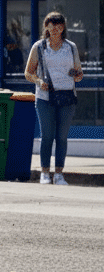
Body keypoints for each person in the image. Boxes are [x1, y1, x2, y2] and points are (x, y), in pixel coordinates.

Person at [24, 11, 85, 185]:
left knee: (62, 137)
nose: (55, 29)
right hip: (45, 97)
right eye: (51, 26)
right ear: (46, 27)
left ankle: (59, 174)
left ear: (63, 27)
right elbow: (28, 72)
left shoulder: (71, 47)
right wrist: (38, 81)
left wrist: (77, 75)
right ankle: (44, 172)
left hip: (67, 96)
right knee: (47, 135)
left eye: (59, 26)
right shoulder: (39, 47)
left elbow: (78, 73)